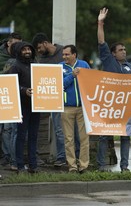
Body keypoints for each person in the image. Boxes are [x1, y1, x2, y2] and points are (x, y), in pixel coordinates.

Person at [31, 33, 80, 167]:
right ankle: (61, 158)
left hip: (70, 101)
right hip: (54, 100)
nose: (39, 51)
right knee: (59, 131)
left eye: (39, 47)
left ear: (45, 43)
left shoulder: (63, 53)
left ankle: (75, 158)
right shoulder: (41, 60)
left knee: (74, 132)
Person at [97, 7, 131, 172]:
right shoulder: (107, 60)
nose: (124, 52)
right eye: (120, 50)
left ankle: (124, 166)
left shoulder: (129, 67)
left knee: (125, 136)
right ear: (112, 54)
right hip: (109, 106)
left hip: (125, 107)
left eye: (125, 49)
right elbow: (101, 42)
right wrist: (100, 23)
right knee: (104, 136)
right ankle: (101, 166)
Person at [8, 41, 40, 173]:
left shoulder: (36, 66)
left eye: (29, 49)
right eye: (24, 49)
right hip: (22, 106)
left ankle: (33, 165)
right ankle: (20, 165)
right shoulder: (15, 66)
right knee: (21, 136)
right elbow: (10, 84)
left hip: (37, 106)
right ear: (19, 52)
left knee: (33, 136)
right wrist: (23, 90)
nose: (27, 51)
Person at [59, 44, 90, 173]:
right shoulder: (59, 67)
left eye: (67, 54)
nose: (64, 57)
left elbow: (91, 81)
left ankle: (83, 165)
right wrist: (72, 75)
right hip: (66, 108)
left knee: (84, 138)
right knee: (69, 138)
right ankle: (72, 166)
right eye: (63, 54)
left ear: (74, 55)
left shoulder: (84, 65)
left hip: (83, 107)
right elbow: (59, 85)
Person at [0, 33, 22, 169]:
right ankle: (8, 156)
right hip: (5, 94)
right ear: (8, 43)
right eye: (15, 44)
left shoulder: (22, 58)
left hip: (14, 96)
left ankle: (9, 157)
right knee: (6, 129)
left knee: (9, 129)